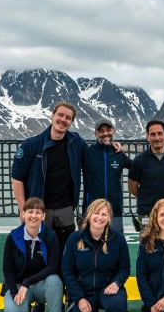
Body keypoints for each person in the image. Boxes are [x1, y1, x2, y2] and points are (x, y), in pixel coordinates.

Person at [11, 101, 123, 251]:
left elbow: (94, 156)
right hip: (39, 209)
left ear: (71, 122)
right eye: (60, 115)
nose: (63, 120)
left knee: (65, 250)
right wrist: (23, 210)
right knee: (37, 248)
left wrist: (111, 147)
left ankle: (62, 275)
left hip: (66, 209)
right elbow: (17, 178)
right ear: (52, 116)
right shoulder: (31, 145)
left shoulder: (75, 142)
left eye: (68, 118)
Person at [62, 198, 131, 312]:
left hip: (106, 289)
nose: (100, 217)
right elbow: (67, 272)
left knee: (117, 305)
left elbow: (125, 268)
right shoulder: (74, 239)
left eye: (104, 214)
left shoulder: (117, 239)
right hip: (84, 292)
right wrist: (79, 298)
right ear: (89, 215)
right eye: (97, 213)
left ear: (109, 218)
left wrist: (117, 282)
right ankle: (76, 311)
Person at [0, 198, 64, 312]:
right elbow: (7, 269)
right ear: (23, 214)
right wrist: (15, 292)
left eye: (38, 212)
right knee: (13, 311)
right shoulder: (13, 237)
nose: (33, 215)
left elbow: (53, 267)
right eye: (30, 211)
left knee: (55, 281)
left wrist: (27, 282)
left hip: (41, 285)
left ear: (43, 216)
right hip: (21, 287)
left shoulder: (50, 236)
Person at [128, 120, 164, 226]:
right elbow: (132, 188)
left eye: (160, 133)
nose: (157, 138)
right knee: (147, 243)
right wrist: (147, 198)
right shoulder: (139, 160)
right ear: (147, 137)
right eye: (153, 134)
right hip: (147, 214)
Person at [82, 118, 132, 236]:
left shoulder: (118, 153)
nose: (105, 133)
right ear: (95, 134)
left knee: (116, 243)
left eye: (108, 130)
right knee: (90, 244)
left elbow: (138, 167)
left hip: (114, 209)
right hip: (91, 209)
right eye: (101, 131)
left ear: (113, 131)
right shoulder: (87, 152)